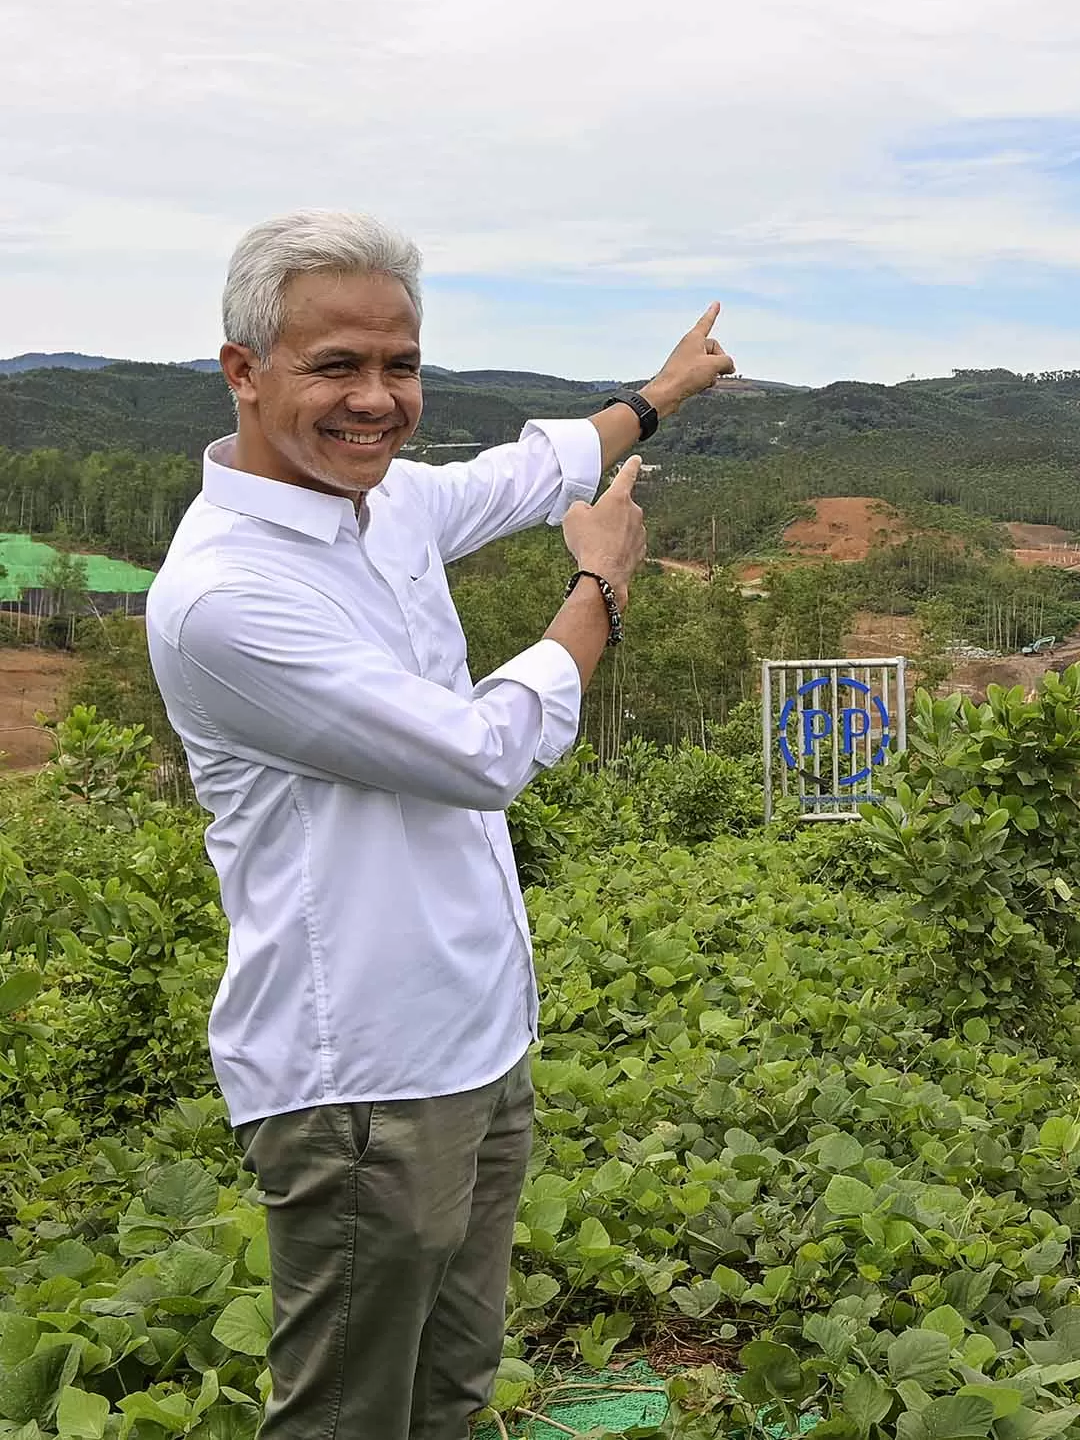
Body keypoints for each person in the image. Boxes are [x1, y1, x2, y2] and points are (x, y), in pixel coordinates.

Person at [145, 209, 736, 1439]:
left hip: (477, 1038)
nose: (377, 400)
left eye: (400, 366)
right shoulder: (227, 598)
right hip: (359, 1074)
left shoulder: (384, 504)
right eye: (336, 366)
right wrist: (601, 585)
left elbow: (526, 468)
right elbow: (480, 753)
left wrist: (662, 392)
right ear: (244, 372)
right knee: (347, 1415)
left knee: (451, 1391)